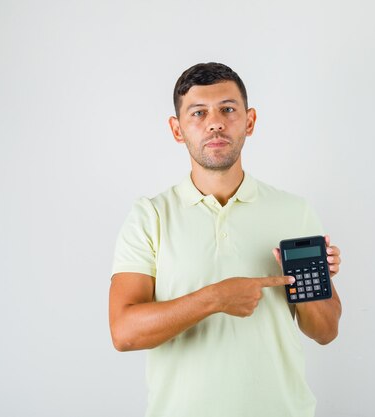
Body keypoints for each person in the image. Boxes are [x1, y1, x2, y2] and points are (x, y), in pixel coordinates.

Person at [109, 62, 342, 417]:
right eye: (199, 113)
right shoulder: (150, 216)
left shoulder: (294, 211)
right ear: (177, 129)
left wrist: (309, 283)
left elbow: (326, 332)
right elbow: (124, 332)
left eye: (228, 109)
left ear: (249, 121)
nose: (215, 122)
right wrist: (215, 298)